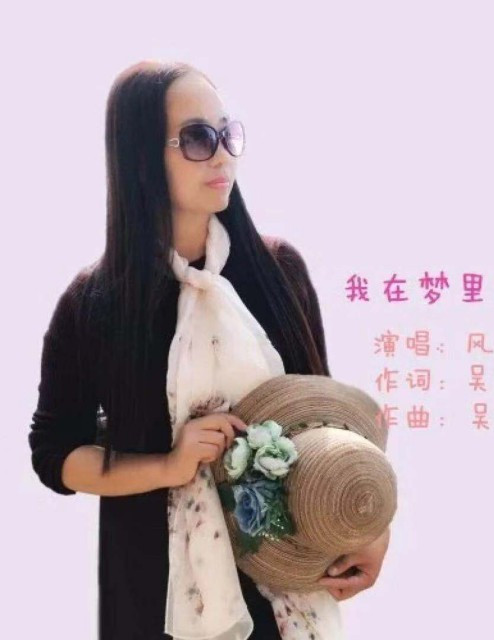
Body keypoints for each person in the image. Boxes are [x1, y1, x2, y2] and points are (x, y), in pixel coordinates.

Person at [27, 60, 334, 639]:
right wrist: (170, 465)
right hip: (153, 596)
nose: (222, 156)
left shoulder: (277, 273)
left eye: (227, 134)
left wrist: (366, 535)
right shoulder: (94, 304)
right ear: (141, 157)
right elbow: (54, 454)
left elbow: (328, 424)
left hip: (283, 585)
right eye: (197, 138)